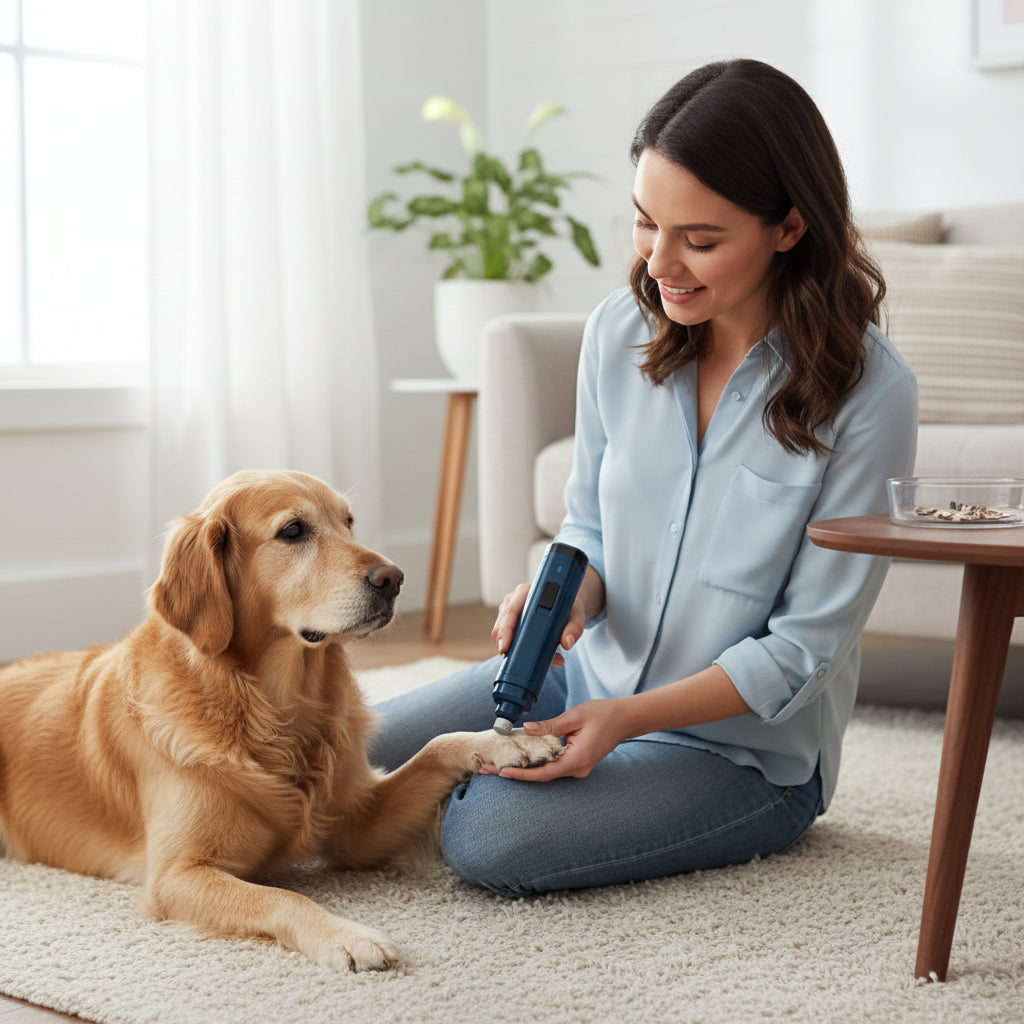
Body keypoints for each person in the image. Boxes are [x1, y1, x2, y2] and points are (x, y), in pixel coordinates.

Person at [369, 58, 917, 898]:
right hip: (582, 679)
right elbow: (586, 526)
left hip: (738, 753)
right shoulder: (619, 332)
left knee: (488, 834)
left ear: (790, 227)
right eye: (644, 224)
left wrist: (626, 721)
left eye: (700, 240)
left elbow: (803, 650)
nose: (661, 264)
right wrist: (563, 601)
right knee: (342, 741)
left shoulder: (870, 393)